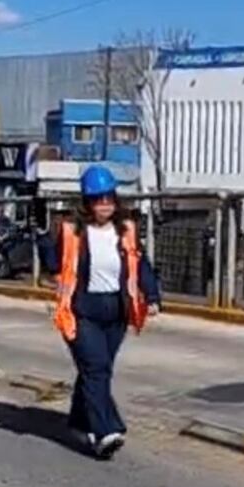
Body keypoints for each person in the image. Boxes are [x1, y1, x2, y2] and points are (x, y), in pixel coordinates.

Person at [37, 164, 161, 460]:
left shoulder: (127, 230)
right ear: (86, 202)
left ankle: (80, 421)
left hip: (116, 311)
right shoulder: (71, 231)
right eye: (97, 199)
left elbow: (139, 265)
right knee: (96, 368)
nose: (104, 204)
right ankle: (105, 431)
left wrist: (152, 295)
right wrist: (42, 236)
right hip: (81, 311)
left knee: (95, 370)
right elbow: (53, 265)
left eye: (108, 198)